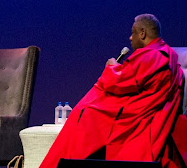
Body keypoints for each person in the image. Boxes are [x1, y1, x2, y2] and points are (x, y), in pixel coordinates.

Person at [41, 14, 186, 168]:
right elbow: (138, 81)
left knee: (85, 113)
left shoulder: (153, 55)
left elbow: (123, 81)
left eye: (133, 33)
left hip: (140, 117)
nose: (130, 38)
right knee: (85, 112)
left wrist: (112, 67)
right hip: (150, 112)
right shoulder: (168, 55)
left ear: (142, 33)